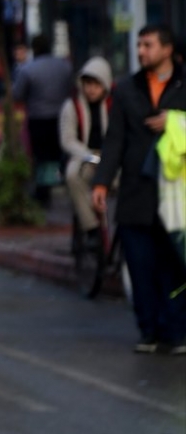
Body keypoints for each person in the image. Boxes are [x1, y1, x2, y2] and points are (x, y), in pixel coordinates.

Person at [92, 24, 186, 354]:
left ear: (167, 49)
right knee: (140, 264)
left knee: (174, 264)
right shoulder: (127, 89)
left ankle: (177, 332)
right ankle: (148, 330)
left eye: (147, 45)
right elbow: (114, 139)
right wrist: (102, 182)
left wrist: (175, 119)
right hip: (136, 191)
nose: (141, 51)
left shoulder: (182, 84)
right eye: (139, 45)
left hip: (176, 194)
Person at [59, 57, 112, 250]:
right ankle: (91, 228)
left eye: (96, 84)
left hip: (111, 157)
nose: (91, 89)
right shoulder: (72, 106)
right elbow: (68, 140)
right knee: (74, 175)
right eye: (88, 84)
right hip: (84, 156)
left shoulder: (114, 104)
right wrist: (89, 155)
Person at [14, 33, 73, 205]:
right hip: (62, 116)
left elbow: (18, 94)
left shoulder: (28, 70)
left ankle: (44, 189)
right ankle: (60, 180)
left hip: (38, 117)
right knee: (60, 152)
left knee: (42, 156)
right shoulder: (64, 66)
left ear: (34, 49)